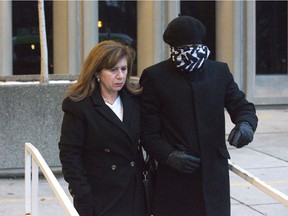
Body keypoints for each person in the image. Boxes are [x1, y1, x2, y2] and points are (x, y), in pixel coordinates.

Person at [140, 16, 258, 216]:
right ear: (172, 47)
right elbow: (147, 131)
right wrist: (168, 155)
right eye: (184, 47)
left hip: (214, 175)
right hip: (175, 178)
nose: (191, 52)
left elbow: (242, 106)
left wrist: (246, 125)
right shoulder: (155, 76)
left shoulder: (219, 72)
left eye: (195, 45)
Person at [58, 40, 146, 216]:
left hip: (134, 192)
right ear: (97, 72)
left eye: (124, 69)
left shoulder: (135, 100)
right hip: (100, 195)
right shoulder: (79, 106)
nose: (120, 76)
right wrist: (82, 194)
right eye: (113, 70)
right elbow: (70, 153)